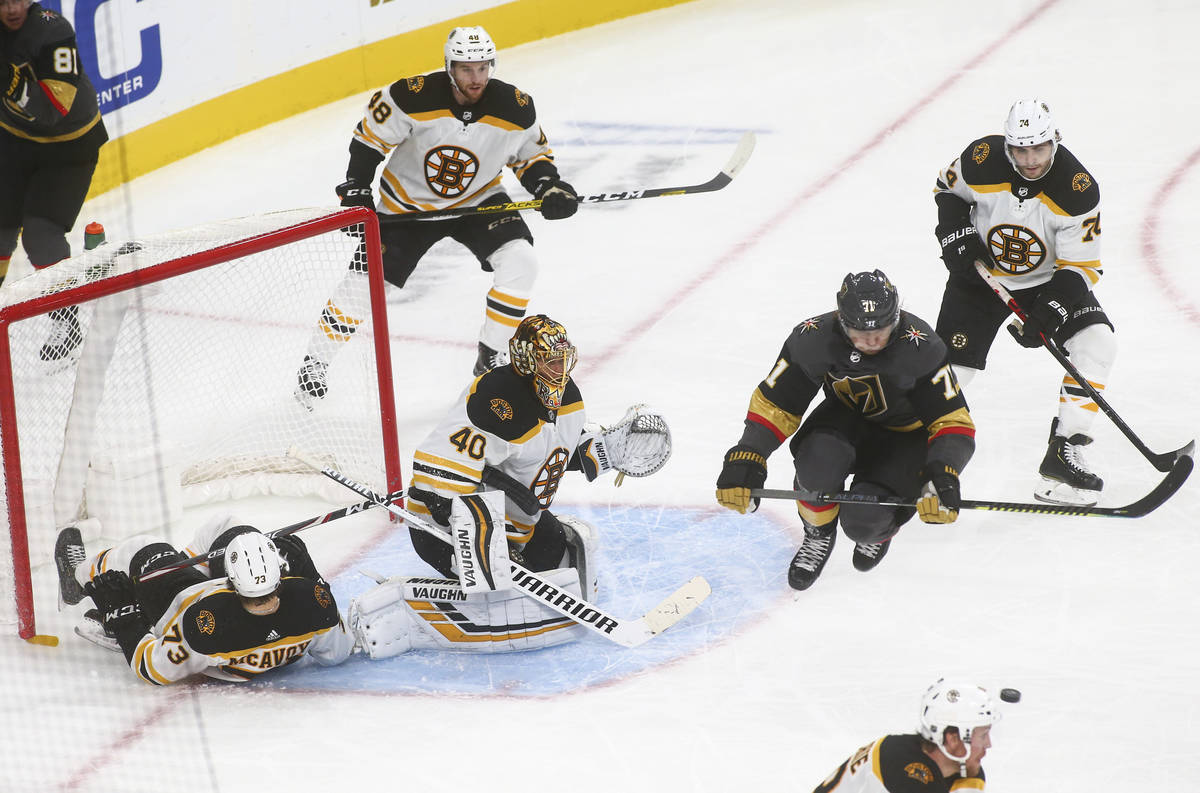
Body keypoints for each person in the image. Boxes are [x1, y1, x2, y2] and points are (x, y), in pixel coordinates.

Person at [293, 24, 578, 405]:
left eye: (481, 68)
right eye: (465, 69)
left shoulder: (515, 107)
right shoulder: (410, 97)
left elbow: (532, 157)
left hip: (478, 200)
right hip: (406, 206)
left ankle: (490, 357)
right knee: (367, 285)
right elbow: (368, 138)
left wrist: (550, 187)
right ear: (449, 67)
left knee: (521, 262)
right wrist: (358, 186)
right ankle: (316, 362)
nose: (475, 78)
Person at [715, 270, 976, 591]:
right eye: (859, 332)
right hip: (846, 418)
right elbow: (777, 402)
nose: (871, 341)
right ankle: (818, 533)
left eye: (881, 330)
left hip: (906, 436)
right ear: (841, 320)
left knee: (864, 522)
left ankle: (879, 531)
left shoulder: (920, 346)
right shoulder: (812, 338)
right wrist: (748, 455)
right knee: (817, 464)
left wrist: (944, 472)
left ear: (896, 318)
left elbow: (952, 420)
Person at [932, 98, 1113, 507]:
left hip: (1048, 283)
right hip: (979, 279)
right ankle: (912, 458)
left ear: (1055, 140)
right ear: (1007, 147)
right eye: (1020, 150)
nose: (1030, 159)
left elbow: (1081, 267)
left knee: (1097, 343)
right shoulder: (981, 159)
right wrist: (955, 232)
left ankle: (1064, 454)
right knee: (950, 372)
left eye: (1039, 148)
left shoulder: (1076, 189)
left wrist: (1051, 310)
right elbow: (947, 189)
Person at [406, 313, 671, 582]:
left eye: (563, 360)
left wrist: (601, 450)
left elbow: (547, 451)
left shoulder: (568, 398)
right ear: (526, 360)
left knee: (560, 555)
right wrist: (479, 540)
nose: (560, 370)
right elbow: (437, 472)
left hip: (517, 521)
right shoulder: (495, 400)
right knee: (505, 577)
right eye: (551, 362)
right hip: (446, 526)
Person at [52, 515, 353, 684]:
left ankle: (76, 578)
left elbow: (151, 668)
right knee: (229, 528)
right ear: (280, 577)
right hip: (246, 621)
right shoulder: (312, 605)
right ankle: (190, 566)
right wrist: (313, 579)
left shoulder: (203, 626)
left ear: (231, 582)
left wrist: (123, 614)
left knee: (145, 548)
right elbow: (338, 652)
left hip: (179, 601)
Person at [1, 0, 108, 361]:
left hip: (69, 148)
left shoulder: (53, 32)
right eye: (2, 2)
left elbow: (52, 112)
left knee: (40, 233)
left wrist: (12, 82)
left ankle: (66, 319)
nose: (11, 8)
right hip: (15, 141)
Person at [812, 678, 998, 792]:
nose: (988, 744)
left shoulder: (967, 771)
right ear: (952, 738)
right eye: (982, 735)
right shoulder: (899, 765)